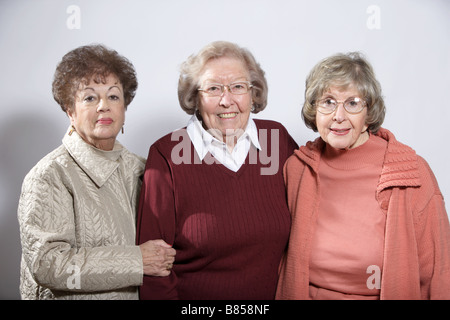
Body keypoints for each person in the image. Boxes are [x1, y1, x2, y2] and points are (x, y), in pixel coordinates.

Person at [276, 52, 450, 300]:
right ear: (314, 110)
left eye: (353, 103)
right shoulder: (297, 169)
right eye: (327, 102)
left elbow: (439, 273)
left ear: (369, 112)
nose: (339, 116)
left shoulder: (410, 172)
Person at [136, 41, 298, 300]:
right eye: (213, 88)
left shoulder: (276, 140)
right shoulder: (166, 155)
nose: (227, 100)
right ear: (195, 97)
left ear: (253, 93)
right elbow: (153, 270)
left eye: (237, 87)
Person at [17, 44, 175, 300]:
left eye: (114, 96)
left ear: (125, 108)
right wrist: (136, 261)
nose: (104, 106)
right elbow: (47, 264)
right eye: (90, 97)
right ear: (70, 110)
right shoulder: (50, 175)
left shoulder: (143, 169)